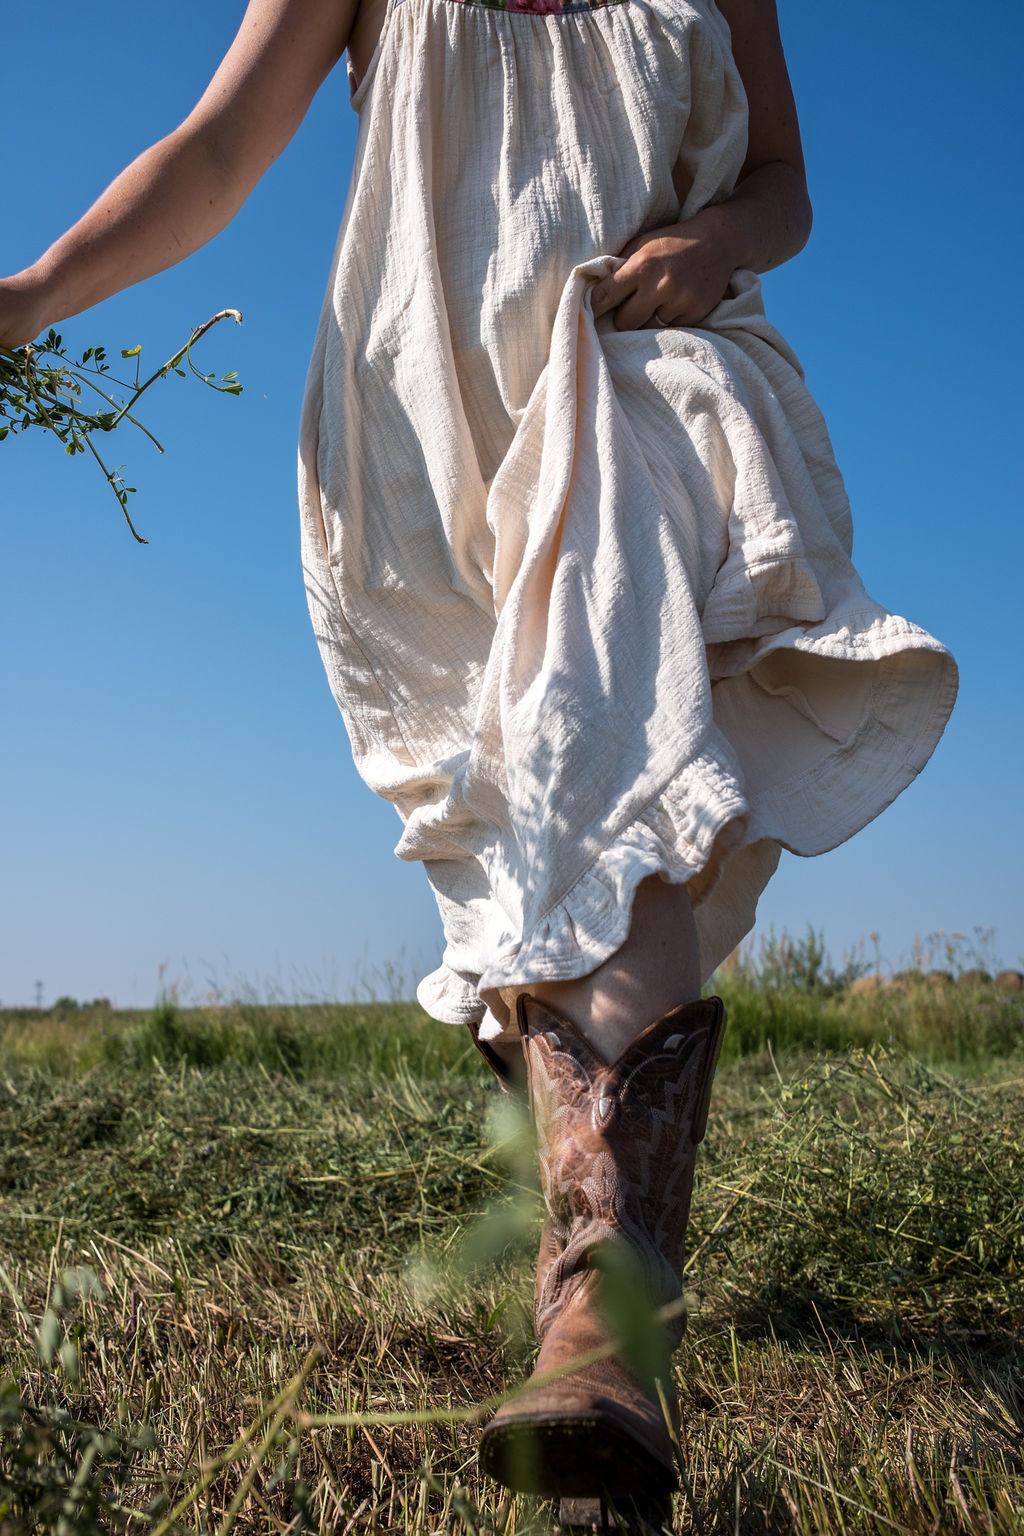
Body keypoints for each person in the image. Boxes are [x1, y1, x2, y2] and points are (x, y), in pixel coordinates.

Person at [0, 0, 957, 1523]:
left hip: (646, 372)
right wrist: (29, 294)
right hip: (433, 418)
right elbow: (218, 147)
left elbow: (785, 176)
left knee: (629, 769)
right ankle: (579, 1162)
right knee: (545, 836)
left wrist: (721, 240)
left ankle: (599, 1328)